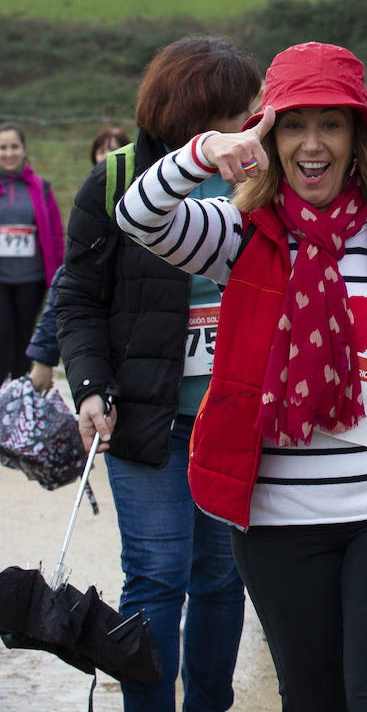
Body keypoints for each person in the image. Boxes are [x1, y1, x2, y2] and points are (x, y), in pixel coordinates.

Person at [114, 41, 367, 712]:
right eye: (293, 125)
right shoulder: (239, 234)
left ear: (359, 138)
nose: (312, 145)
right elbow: (138, 217)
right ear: (268, 136)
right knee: (312, 699)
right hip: (279, 524)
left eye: (330, 125)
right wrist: (203, 153)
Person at [55, 38, 256, 712]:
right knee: (157, 574)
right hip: (148, 422)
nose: (247, 124)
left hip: (232, 420)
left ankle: (209, 704)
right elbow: (77, 298)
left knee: (223, 578)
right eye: (233, 112)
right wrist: (87, 386)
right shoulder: (113, 181)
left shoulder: (260, 178)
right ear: (193, 112)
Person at [27, 125, 129, 393]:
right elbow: (71, 283)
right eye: (103, 150)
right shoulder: (93, 196)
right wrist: (44, 354)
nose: (110, 154)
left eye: (116, 147)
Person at [0, 122, 63, 382]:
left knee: (26, 336)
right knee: (3, 335)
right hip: (1, 278)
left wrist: (59, 274)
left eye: (14, 147)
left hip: (31, 278)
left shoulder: (41, 188)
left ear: (24, 150)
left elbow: (56, 233)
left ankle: (20, 394)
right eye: (2, 148)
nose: (9, 153)